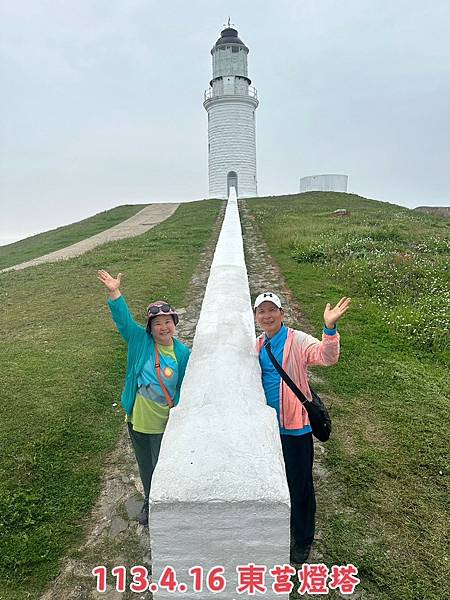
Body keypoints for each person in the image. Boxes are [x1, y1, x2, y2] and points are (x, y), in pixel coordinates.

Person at [253, 291, 351, 564]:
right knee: (277, 480)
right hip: (269, 429)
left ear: (282, 314)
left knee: (300, 484)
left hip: (295, 426)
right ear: (257, 316)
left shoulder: (297, 340)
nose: (268, 315)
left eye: (273, 310)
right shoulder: (259, 345)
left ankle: (303, 537)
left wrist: (329, 328)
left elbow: (326, 356)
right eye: (262, 311)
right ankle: (283, 522)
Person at [97, 270, 191, 526]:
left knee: (163, 467)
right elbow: (124, 321)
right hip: (137, 419)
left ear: (174, 323)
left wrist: (178, 415)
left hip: (164, 423)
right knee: (146, 467)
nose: (163, 327)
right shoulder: (140, 341)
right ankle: (151, 503)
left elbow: (184, 387)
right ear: (149, 328)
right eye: (157, 323)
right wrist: (115, 292)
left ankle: (166, 502)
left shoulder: (183, 354)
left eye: (168, 321)